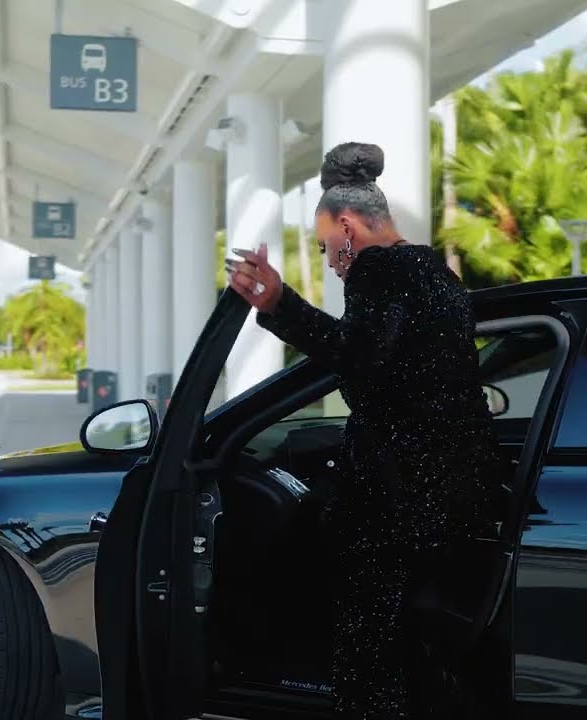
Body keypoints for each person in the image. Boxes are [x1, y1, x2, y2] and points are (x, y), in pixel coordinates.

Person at [225, 141, 498, 719]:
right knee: (422, 650)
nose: (329, 259)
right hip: (451, 494)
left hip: (393, 502)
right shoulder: (436, 272)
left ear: (347, 227)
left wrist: (278, 303)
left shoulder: (377, 269)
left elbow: (359, 357)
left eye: (326, 244)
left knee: (369, 655)